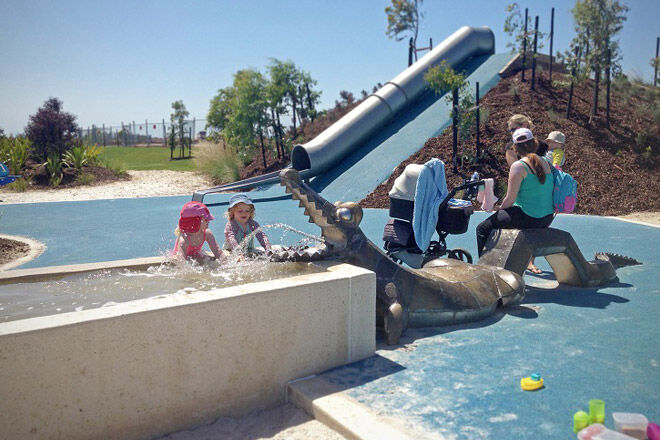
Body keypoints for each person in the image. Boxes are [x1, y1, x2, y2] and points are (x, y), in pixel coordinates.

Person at [477, 128, 554, 258]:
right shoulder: (546, 162)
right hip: (546, 217)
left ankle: (485, 268)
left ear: (515, 148)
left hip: (529, 217)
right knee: (504, 219)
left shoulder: (519, 166)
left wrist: (499, 209)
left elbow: (510, 200)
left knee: (482, 229)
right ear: (535, 144)